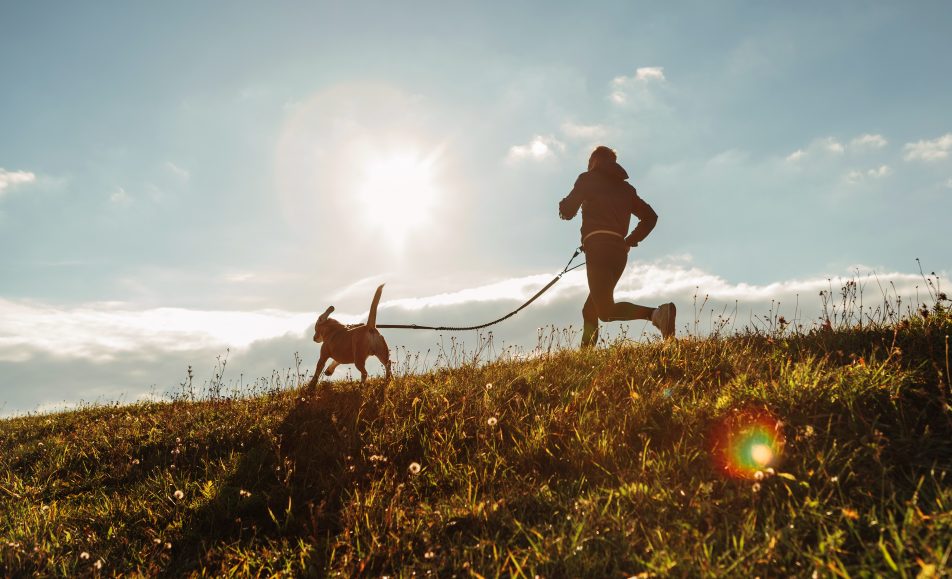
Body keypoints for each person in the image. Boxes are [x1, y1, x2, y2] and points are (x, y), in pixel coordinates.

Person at [559, 145, 676, 347]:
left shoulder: (587, 179)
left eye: (589, 163)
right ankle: (585, 358)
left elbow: (568, 211)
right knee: (591, 309)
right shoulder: (626, 189)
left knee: (604, 311)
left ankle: (656, 314)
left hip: (598, 249)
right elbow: (650, 217)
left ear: (594, 161)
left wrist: (563, 205)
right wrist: (629, 241)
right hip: (619, 252)